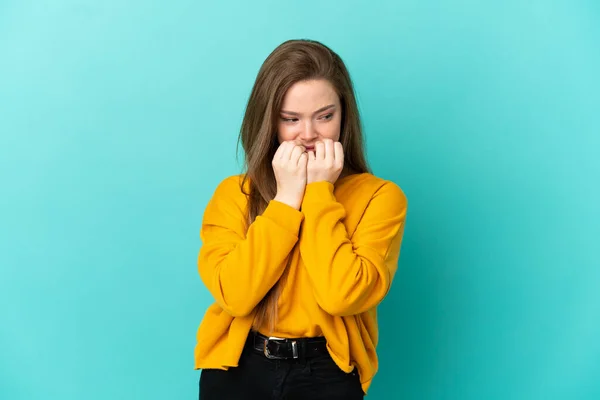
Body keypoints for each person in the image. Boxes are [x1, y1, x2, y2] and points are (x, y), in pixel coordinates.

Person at [194, 39, 408, 399]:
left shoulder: (380, 197)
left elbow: (343, 296)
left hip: (326, 371)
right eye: (291, 119)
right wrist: (286, 199)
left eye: (325, 116)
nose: (308, 135)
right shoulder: (235, 194)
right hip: (237, 367)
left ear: (345, 114)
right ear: (268, 121)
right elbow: (235, 294)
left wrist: (319, 192)